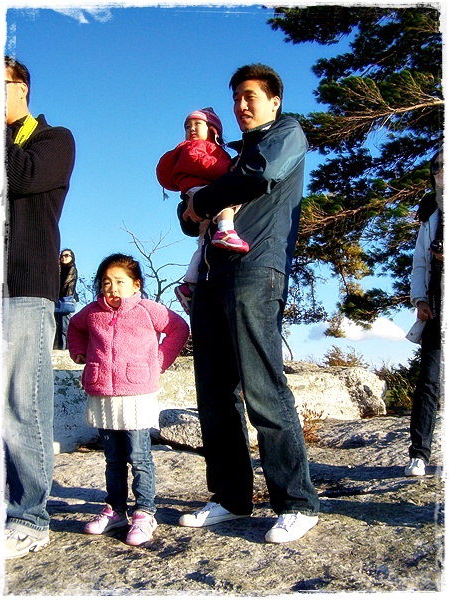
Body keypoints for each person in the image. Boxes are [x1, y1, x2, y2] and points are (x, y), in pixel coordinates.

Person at [177, 64, 320, 543]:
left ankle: (297, 502)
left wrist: (204, 200)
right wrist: (193, 204)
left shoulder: (286, 133)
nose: (241, 105)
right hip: (211, 275)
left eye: (250, 96)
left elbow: (262, 175)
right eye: (236, 97)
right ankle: (231, 497)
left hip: (257, 268)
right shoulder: (228, 154)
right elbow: (187, 216)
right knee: (214, 393)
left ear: (274, 100)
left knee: (262, 386)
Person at [2, 56, 76, 560]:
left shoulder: (52, 139)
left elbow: (20, 176)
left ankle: (30, 517)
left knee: (22, 403)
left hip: (26, 286)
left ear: (22, 88)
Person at [67, 253, 189, 545]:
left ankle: (145, 513)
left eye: (119, 281)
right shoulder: (91, 312)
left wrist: (159, 360)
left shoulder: (148, 309)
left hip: (137, 394)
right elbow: (75, 328)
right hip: (103, 395)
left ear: (136, 285)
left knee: (139, 458)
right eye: (106, 282)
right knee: (113, 459)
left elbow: (179, 328)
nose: (112, 288)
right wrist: (79, 351)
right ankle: (116, 511)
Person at [156, 107, 249, 314]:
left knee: (202, 243)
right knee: (228, 199)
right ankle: (226, 230)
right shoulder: (196, 146)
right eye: (187, 126)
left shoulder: (201, 147)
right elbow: (201, 163)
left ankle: (188, 285)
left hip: (195, 192)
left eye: (198, 124)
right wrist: (228, 171)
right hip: (201, 190)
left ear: (212, 129)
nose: (192, 129)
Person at [405, 148, 444, 477]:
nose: (442, 172)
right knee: (428, 382)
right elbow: (419, 261)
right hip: (436, 309)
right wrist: (419, 300)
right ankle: (419, 454)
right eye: (438, 167)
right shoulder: (431, 211)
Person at [53, 248, 78, 350]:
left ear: (72, 257)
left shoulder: (71, 269)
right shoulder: (60, 270)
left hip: (66, 299)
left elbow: (64, 284)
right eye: (62, 256)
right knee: (57, 327)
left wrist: (55, 293)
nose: (64, 258)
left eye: (67, 255)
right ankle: (59, 347)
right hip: (59, 300)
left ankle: (66, 349)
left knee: (65, 327)